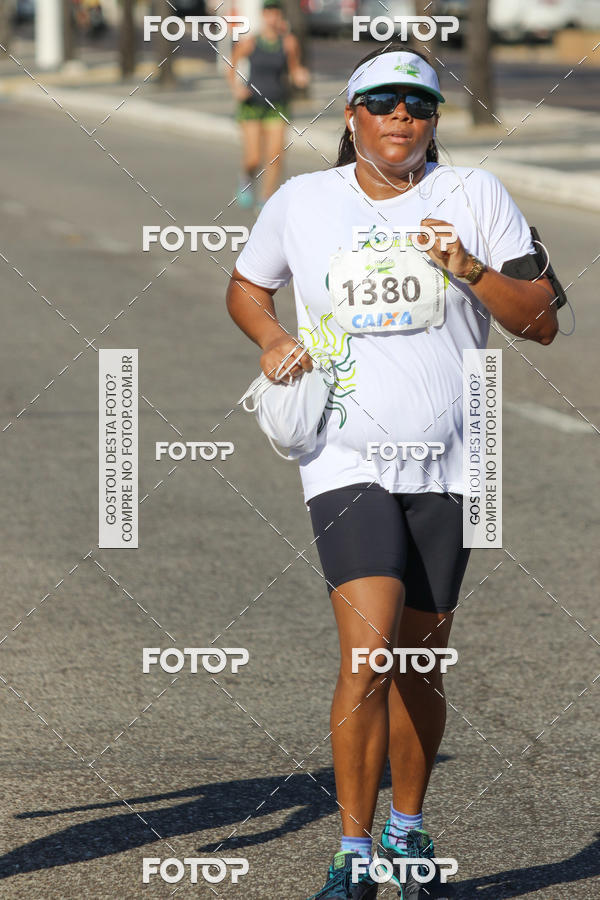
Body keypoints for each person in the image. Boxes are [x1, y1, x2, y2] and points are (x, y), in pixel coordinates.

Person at [226, 43, 558, 899]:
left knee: (420, 661)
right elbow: (246, 286)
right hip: (345, 455)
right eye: (383, 104)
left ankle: (408, 829)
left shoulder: (473, 196)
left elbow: (541, 321)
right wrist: (271, 340)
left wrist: (470, 268)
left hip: (455, 458)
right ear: (351, 117)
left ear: (433, 120)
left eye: (418, 105)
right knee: (368, 655)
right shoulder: (303, 202)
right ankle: (353, 849)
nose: (401, 118)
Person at [227, 0, 309, 213]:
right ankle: (246, 177)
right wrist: (236, 88)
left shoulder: (289, 43)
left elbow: (294, 68)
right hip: (252, 105)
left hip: (278, 104)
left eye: (276, 13)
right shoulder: (251, 42)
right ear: (263, 15)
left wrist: (299, 75)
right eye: (269, 13)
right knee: (254, 157)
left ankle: (266, 199)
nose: (273, 17)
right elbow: (232, 64)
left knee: (275, 156)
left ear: (280, 16)